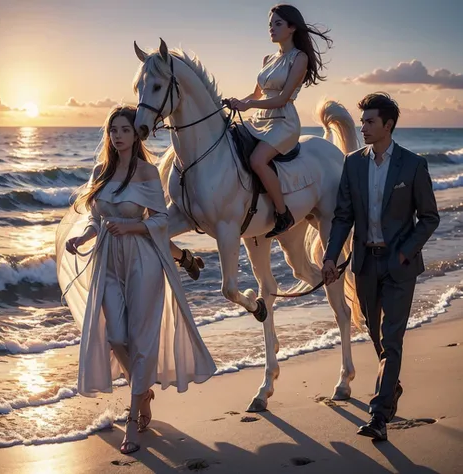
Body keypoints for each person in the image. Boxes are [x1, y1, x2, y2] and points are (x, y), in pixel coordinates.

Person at [58, 105, 216, 454]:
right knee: (115, 335)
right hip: (108, 261)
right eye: (113, 129)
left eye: (125, 129)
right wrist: (83, 237)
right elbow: (95, 217)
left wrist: (131, 226)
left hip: (142, 261)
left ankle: (133, 418)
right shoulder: (100, 171)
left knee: (141, 340)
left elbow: (160, 220)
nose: (118, 135)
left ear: (135, 134)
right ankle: (143, 390)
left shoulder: (146, 173)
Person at [322, 93, 440, 441]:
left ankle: (379, 413)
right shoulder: (353, 164)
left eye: (370, 122)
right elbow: (343, 216)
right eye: (362, 122)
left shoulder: (413, 165)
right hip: (364, 265)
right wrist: (331, 256)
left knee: (392, 338)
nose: (363, 127)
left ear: (388, 125)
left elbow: (429, 217)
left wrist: (404, 253)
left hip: (399, 265)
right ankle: (392, 388)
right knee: (374, 332)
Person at [227, 4, 332, 238]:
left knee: (257, 160)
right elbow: (256, 95)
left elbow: (283, 98)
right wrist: (236, 102)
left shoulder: (300, 58)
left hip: (283, 123)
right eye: (270, 24)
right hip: (260, 119)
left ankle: (283, 214)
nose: (271, 29)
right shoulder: (267, 59)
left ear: (292, 28)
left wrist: (250, 105)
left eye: (278, 24)